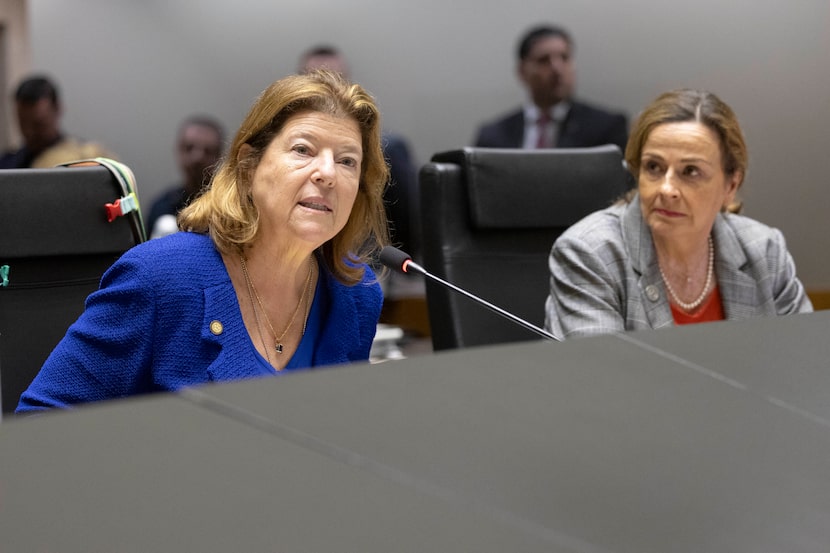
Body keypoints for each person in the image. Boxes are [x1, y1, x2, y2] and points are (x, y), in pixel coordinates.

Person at [17, 70, 390, 412]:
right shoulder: (159, 279)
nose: (327, 173)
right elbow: (39, 426)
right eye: (303, 150)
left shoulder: (356, 293)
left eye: (347, 161)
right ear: (248, 166)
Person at [544, 88, 812, 339]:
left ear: (731, 185)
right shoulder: (592, 254)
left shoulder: (764, 251)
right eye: (654, 167)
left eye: (690, 171)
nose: (667, 188)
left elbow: (802, 361)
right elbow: (601, 378)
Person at [298, 45, 420, 259]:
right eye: (315, 79)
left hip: (362, 258)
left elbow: (408, 217)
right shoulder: (281, 142)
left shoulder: (385, 148)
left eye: (346, 161)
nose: (326, 87)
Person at [473, 24, 628, 153]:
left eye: (564, 58)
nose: (557, 68)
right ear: (522, 71)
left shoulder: (606, 128)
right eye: (543, 60)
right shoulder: (493, 136)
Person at [0, 75, 115, 169]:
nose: (29, 132)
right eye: (23, 123)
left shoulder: (89, 158)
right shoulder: (7, 165)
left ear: (57, 108)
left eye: (38, 124)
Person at [145, 115, 225, 238]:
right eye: (189, 148)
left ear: (220, 157)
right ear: (178, 151)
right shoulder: (161, 207)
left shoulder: (230, 210)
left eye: (208, 151)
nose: (197, 157)